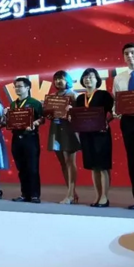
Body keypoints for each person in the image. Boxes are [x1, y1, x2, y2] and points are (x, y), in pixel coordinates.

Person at [76, 68, 114, 207]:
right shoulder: (80, 98)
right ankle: (97, 195)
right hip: (86, 135)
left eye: (91, 77)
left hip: (101, 135)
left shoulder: (104, 95)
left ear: (97, 79)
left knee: (102, 166)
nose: (88, 79)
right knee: (93, 167)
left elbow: (113, 112)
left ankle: (105, 197)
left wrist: (106, 121)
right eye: (85, 77)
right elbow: (77, 116)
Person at [7, 77, 45, 203]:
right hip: (16, 138)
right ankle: (24, 194)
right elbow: (11, 121)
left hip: (30, 138)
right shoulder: (13, 104)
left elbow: (42, 118)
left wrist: (35, 123)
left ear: (28, 87)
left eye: (20, 86)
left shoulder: (35, 103)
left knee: (32, 168)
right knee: (21, 168)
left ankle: (34, 195)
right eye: (16, 87)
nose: (17, 89)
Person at [47, 71, 81, 204]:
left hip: (69, 129)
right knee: (63, 163)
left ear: (67, 80)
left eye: (61, 79)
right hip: (55, 129)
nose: (58, 81)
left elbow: (79, 114)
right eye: (56, 79)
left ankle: (70, 194)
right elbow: (48, 115)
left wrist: (71, 111)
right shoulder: (52, 96)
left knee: (70, 162)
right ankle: (72, 193)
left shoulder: (73, 95)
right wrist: (46, 111)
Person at [113, 43, 134, 210]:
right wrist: (115, 111)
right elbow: (116, 101)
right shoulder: (119, 78)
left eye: (133, 53)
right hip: (128, 122)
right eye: (126, 54)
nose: (129, 56)